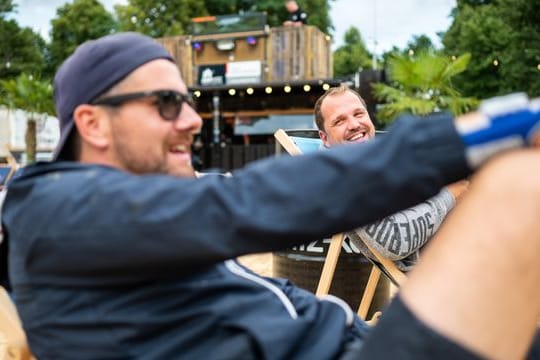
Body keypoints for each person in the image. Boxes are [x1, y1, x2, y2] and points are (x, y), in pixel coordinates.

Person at [2, 32, 540, 360]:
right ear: (92, 123)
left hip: (361, 338)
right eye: (166, 103)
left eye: (187, 101)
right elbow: (252, 201)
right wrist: (484, 134)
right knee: (519, 189)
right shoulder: (56, 214)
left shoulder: (119, 219)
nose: (192, 120)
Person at [314, 85, 468, 271]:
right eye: (339, 121)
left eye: (359, 114)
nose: (354, 125)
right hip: (449, 269)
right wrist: (451, 194)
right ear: (324, 138)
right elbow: (395, 240)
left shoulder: (381, 158)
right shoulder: (343, 177)